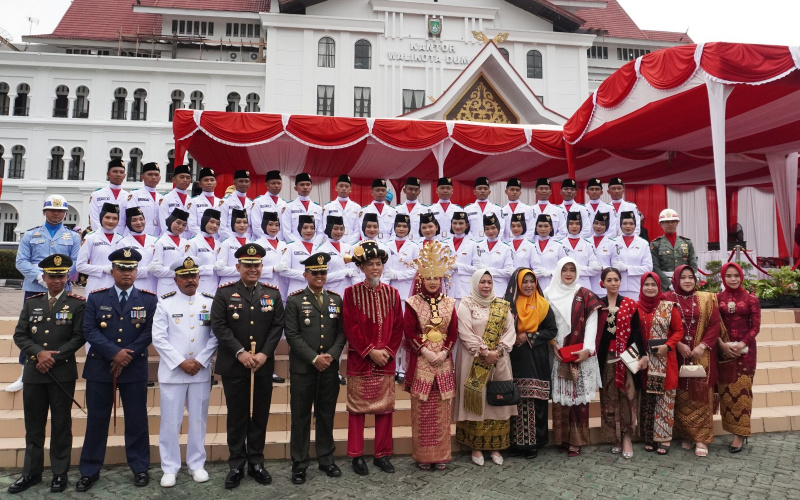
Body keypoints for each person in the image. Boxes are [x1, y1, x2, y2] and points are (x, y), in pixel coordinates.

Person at [76, 248, 158, 492]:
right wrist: (115, 353)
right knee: (96, 421)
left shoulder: (148, 299)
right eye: (121, 268)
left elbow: (150, 332)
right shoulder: (96, 297)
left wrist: (126, 355)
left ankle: (140, 467)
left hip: (134, 367)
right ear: (112, 271)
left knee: (137, 420)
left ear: (137, 272)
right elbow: (89, 330)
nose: (126, 273)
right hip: (101, 367)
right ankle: (89, 471)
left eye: (131, 269)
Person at [8, 254, 85, 494]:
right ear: (44, 277)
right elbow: (20, 335)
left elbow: (79, 336)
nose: (56, 281)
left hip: (61, 372)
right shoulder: (32, 302)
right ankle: (31, 473)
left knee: (61, 425)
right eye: (52, 276)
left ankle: (60, 474)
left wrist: (53, 356)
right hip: (34, 372)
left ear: (67, 277)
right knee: (34, 425)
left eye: (61, 276)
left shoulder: (76, 303)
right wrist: (37, 355)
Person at [211, 243, 284, 489]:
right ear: (238, 267)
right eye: (247, 265)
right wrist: (240, 352)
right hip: (235, 364)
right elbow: (219, 326)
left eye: (256, 265)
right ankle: (235, 465)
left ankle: (256, 461)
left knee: (259, 414)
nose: (252, 269)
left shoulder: (272, 294)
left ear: (262, 266)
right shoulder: (224, 293)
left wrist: (264, 354)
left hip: (262, 365)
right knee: (237, 415)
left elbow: (277, 327)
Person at [152, 257, 218, 487]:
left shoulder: (210, 303)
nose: (190, 280)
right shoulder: (165, 303)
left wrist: (199, 361)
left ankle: (196, 464)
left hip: (200, 372)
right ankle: (169, 467)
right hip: (173, 373)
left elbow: (215, 336)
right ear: (175, 279)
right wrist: (181, 362)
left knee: (199, 421)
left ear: (199, 278)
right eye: (185, 276)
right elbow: (158, 338)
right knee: (171, 422)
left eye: (194, 276)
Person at [342, 240, 403, 476]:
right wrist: (370, 351)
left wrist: (387, 351)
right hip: (360, 360)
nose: (375, 268)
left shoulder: (393, 294)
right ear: (361, 268)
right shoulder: (351, 293)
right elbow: (350, 326)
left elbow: (398, 326)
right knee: (357, 411)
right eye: (370, 264)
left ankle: (382, 454)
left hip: (386, 360)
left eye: (378, 264)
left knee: (384, 410)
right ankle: (356, 455)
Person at [284, 252, 346, 484]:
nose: (320, 276)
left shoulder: (335, 299)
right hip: (304, 369)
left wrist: (331, 355)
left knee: (325, 414)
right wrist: (313, 358)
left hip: (329, 368)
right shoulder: (295, 300)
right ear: (306, 275)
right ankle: (299, 464)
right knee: (300, 416)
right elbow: (291, 334)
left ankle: (326, 459)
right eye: (315, 272)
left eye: (323, 272)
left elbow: (342, 333)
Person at [10, 195, 81, 393]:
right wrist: (39, 276)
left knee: (61, 328)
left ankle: (58, 364)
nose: (56, 214)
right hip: (35, 288)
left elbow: (76, 261)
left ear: (65, 213)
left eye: (60, 211)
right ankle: (25, 370)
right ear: (44, 212)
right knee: (31, 328)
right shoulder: (31, 235)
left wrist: (60, 276)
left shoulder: (73, 236)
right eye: (52, 210)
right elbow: (21, 261)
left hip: (62, 287)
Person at [403, 240, 458, 470]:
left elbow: (453, 330)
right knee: (423, 410)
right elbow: (409, 330)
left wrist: (444, 352)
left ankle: (442, 455)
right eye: (428, 278)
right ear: (421, 280)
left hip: (443, 362)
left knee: (442, 411)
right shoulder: (413, 303)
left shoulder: (449, 302)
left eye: (436, 278)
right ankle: (424, 457)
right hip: (422, 361)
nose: (433, 282)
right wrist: (424, 350)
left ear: (441, 280)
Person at [452, 269, 516, 466]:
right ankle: (476, 447)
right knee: (477, 402)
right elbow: (464, 331)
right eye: (482, 282)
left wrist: (498, 351)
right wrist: (484, 351)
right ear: (475, 283)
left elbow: (509, 330)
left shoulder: (502, 305)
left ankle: (496, 446)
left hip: (499, 360)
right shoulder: (466, 303)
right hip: (474, 360)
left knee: (497, 401)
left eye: (489, 282)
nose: (486, 286)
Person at [546, 257, 602, 457]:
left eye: (572, 269)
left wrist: (587, 349)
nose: (568, 273)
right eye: (564, 270)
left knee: (578, 398)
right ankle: (562, 438)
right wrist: (553, 344)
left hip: (581, 354)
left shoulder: (586, 295)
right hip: (560, 353)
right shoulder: (548, 295)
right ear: (559, 272)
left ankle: (576, 441)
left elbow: (592, 322)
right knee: (561, 398)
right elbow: (547, 324)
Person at [664, 265, 720, 457]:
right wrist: (678, 344)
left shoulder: (706, 298)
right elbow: (663, 324)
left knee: (701, 394)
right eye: (683, 278)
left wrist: (702, 346)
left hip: (701, 355)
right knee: (681, 395)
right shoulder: (667, 299)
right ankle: (687, 435)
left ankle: (701, 439)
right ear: (676, 280)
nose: (687, 281)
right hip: (677, 354)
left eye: (691, 277)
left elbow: (714, 326)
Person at [504, 268, 557, 459]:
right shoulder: (508, 304)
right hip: (514, 357)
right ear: (517, 283)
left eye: (531, 281)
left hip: (536, 357)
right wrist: (512, 337)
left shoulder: (542, 304)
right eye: (524, 282)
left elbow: (551, 330)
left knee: (534, 399)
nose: (528, 285)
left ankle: (533, 444)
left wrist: (527, 336)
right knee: (516, 398)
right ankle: (516, 444)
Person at [596, 267, 645, 460]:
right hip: (605, 358)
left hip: (626, 357)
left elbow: (637, 332)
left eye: (616, 279)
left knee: (627, 396)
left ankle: (626, 437)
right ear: (603, 283)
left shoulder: (630, 304)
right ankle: (613, 436)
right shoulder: (598, 306)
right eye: (609, 280)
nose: (613, 283)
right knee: (608, 398)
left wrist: (637, 355)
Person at [637, 272, 684, 455]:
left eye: (653, 285)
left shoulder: (668, 307)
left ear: (659, 287)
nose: (650, 288)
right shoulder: (636, 308)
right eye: (646, 285)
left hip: (665, 360)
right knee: (648, 400)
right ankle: (649, 437)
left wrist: (668, 346)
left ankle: (664, 438)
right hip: (645, 361)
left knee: (665, 400)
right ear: (641, 287)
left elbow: (678, 331)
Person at [716, 262, 761, 453]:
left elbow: (755, 327)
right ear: (723, 277)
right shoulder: (716, 298)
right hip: (724, 351)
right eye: (729, 276)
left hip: (745, 353)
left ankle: (739, 435)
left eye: (736, 276)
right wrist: (721, 344)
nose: (733, 279)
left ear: (741, 276)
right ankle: (733, 430)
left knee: (742, 392)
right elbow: (713, 325)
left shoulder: (751, 299)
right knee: (726, 393)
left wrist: (742, 344)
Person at [77, 203, 124, 293]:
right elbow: (80, 266)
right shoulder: (90, 237)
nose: (111, 221)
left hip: (117, 288)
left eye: (115, 218)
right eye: (107, 217)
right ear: (101, 217)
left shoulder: (121, 239)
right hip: (96, 286)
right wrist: (103, 269)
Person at [650, 209, 697, 291]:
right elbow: (655, 267)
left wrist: (690, 279)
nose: (670, 224)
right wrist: (668, 284)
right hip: (665, 285)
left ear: (677, 223)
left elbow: (692, 263)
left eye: (673, 221)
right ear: (661, 224)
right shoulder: (656, 244)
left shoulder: (687, 242)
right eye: (667, 222)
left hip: (685, 283)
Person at [149, 208, 190, 297]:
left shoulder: (186, 243)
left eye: (184, 225)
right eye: (178, 223)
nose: (180, 227)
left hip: (183, 287)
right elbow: (156, 271)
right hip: (166, 288)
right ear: (171, 221)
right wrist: (179, 272)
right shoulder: (160, 242)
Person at [613, 211, 653, 299]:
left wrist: (627, 268)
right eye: (625, 223)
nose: (628, 226)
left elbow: (648, 268)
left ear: (635, 225)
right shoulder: (612, 242)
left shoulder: (643, 243)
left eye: (631, 223)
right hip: (616, 287)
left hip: (636, 287)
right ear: (620, 225)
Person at [117, 207, 158, 292]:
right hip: (134, 288)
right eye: (134, 220)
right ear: (128, 222)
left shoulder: (155, 241)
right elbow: (122, 270)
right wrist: (146, 270)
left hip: (154, 286)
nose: (139, 222)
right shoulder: (123, 243)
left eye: (141, 219)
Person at [252, 212, 290, 303]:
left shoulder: (284, 245)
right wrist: (272, 269)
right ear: (264, 225)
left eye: (277, 225)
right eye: (270, 224)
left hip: (282, 290)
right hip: (263, 288)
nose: (274, 228)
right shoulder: (256, 245)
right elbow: (253, 270)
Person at [316, 215, 357, 297]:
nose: (339, 232)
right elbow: (320, 278)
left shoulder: (348, 248)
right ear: (329, 229)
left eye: (341, 229)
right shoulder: (321, 251)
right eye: (335, 229)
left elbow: (354, 271)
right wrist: (343, 273)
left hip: (348, 292)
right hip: (331, 293)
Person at [185, 208, 223, 297]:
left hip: (216, 287)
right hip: (200, 287)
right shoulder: (192, 243)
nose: (215, 226)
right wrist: (211, 268)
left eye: (218, 224)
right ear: (204, 221)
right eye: (212, 222)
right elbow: (188, 268)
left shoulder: (218, 243)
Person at [444, 211, 478, 304]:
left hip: (465, 289)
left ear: (466, 225)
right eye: (454, 223)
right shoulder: (444, 244)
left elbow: (478, 269)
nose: (457, 226)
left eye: (461, 223)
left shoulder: (473, 244)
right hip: (448, 288)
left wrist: (458, 266)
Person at [474, 214, 514, 294]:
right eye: (487, 229)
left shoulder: (506, 248)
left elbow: (508, 271)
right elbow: (476, 266)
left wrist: (487, 270)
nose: (490, 231)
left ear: (498, 228)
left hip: (500, 290)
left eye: (493, 228)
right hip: (482, 291)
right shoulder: (478, 246)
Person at [561, 211, 601, 289]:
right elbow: (557, 269)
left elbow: (594, 270)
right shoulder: (560, 245)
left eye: (577, 224)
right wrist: (584, 270)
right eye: (571, 223)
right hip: (564, 286)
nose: (574, 226)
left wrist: (572, 270)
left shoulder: (588, 245)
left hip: (583, 286)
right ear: (567, 225)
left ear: (581, 225)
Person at [88, 159, 128, 232]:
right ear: (108, 174)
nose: (118, 174)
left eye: (121, 172)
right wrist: (103, 236)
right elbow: (94, 219)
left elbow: (130, 221)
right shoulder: (97, 195)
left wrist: (123, 239)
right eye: (115, 171)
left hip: (122, 238)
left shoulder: (128, 197)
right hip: (101, 237)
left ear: (124, 175)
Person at [125, 162, 163, 237]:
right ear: (142, 177)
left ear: (160, 178)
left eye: (156, 175)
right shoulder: (135, 195)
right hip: (140, 234)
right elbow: (132, 218)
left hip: (158, 235)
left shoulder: (162, 198)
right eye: (150, 174)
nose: (154, 177)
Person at [282, 173, 323, 243]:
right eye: (302, 184)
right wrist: (299, 245)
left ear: (311, 187)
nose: (305, 187)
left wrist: (314, 245)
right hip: (295, 247)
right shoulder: (288, 207)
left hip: (314, 247)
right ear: (295, 188)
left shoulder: (318, 208)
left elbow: (321, 232)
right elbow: (286, 232)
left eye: (308, 184)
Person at [284, 215, 319, 295]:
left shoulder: (318, 249)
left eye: (312, 228)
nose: (309, 230)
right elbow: (283, 271)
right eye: (305, 227)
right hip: (296, 291)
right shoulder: (290, 247)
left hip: (315, 292)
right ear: (300, 229)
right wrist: (305, 275)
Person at [322, 174, 361, 245]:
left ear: (350, 189)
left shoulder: (357, 207)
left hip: (351, 244)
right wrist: (333, 242)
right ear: (336, 188)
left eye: (346, 186)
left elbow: (357, 230)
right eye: (341, 186)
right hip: (333, 243)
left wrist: (348, 245)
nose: (344, 188)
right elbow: (325, 227)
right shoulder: (328, 207)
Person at [531, 214, 566, 290]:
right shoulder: (531, 247)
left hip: (553, 285)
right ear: (536, 228)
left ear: (551, 228)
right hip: (535, 287)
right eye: (540, 226)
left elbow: (565, 268)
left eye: (546, 226)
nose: (543, 229)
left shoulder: (558, 246)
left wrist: (550, 273)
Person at [216, 208, 252, 284]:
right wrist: (244, 270)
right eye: (238, 222)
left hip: (246, 285)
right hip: (229, 285)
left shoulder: (251, 245)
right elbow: (220, 271)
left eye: (245, 222)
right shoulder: (226, 244)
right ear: (233, 224)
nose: (242, 225)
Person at [251, 170, 287, 241]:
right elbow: (256, 225)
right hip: (261, 241)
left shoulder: (284, 204)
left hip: (280, 242)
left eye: (278, 183)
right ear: (267, 185)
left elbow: (285, 227)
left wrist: (278, 240)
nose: (276, 186)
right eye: (273, 183)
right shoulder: (258, 202)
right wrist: (269, 239)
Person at [186, 167, 221, 239]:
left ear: (216, 183)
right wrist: (207, 236)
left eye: (212, 180)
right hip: (200, 240)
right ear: (200, 184)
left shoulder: (221, 202)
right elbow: (192, 225)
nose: (209, 182)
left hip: (218, 241)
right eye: (206, 180)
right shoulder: (193, 202)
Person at [219, 170, 254, 241]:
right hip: (229, 242)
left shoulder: (251, 204)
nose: (244, 184)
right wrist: (235, 241)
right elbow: (221, 227)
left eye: (246, 181)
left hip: (247, 243)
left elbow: (252, 227)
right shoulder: (226, 201)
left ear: (250, 183)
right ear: (234, 183)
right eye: (241, 181)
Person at [159, 164, 192, 235]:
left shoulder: (192, 200)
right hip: (170, 240)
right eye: (182, 177)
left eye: (188, 177)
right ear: (174, 179)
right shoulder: (166, 199)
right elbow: (164, 223)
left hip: (188, 241)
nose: (185, 180)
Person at [589, 212, 615, 297]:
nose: (598, 226)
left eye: (602, 224)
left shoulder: (612, 244)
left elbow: (616, 266)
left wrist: (603, 268)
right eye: (596, 223)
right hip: (588, 284)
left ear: (607, 226)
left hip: (604, 286)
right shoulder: (585, 242)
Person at [394, 177, 427, 242]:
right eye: (410, 189)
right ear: (404, 190)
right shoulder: (396, 210)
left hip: (419, 244)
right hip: (402, 243)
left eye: (416, 190)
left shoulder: (425, 210)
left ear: (419, 192)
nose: (413, 192)